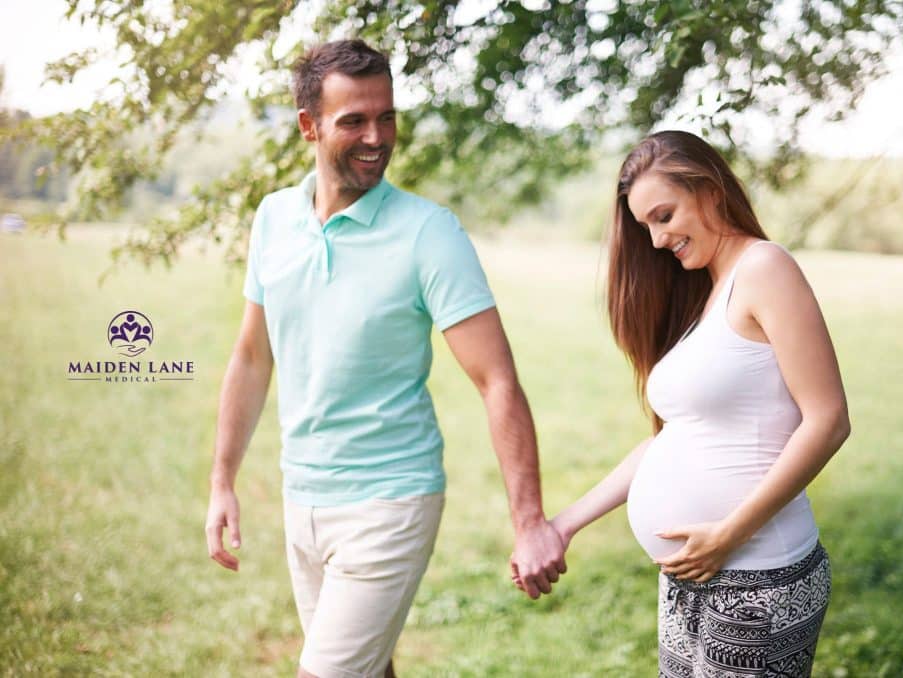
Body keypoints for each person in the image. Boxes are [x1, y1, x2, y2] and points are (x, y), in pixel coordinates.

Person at [204, 39, 566, 678]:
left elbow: (497, 381)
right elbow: (252, 356)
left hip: (391, 501)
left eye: (387, 116)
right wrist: (222, 480)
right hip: (303, 494)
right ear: (309, 127)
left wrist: (530, 520)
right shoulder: (273, 220)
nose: (377, 136)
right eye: (354, 121)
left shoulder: (430, 234)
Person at [522, 131, 851, 677]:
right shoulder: (707, 292)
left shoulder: (764, 268)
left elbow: (828, 420)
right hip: (694, 576)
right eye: (646, 225)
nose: (656, 239)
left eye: (664, 214)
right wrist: (565, 524)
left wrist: (729, 534)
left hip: (758, 577)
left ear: (710, 189)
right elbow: (674, 439)